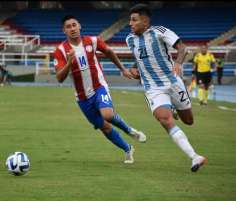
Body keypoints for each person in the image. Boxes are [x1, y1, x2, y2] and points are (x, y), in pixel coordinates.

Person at [54, 15, 147, 164]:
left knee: (108, 115)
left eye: (74, 25)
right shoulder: (60, 51)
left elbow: (109, 52)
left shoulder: (93, 41)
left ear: (80, 26)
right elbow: (59, 78)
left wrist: (123, 69)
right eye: (68, 27)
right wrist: (70, 62)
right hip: (82, 97)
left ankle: (129, 130)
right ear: (63, 30)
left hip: (99, 87)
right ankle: (127, 149)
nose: (72, 28)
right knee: (104, 127)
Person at [126, 4, 207, 172]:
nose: (130, 23)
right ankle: (195, 157)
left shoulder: (160, 32)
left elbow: (182, 48)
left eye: (134, 20)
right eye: (130, 20)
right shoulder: (130, 39)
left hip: (173, 82)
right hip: (153, 88)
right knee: (164, 119)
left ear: (145, 21)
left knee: (189, 121)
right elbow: (141, 58)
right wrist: (135, 69)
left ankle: (175, 109)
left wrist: (178, 63)